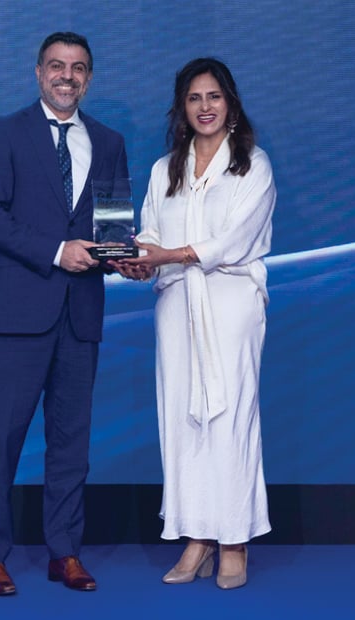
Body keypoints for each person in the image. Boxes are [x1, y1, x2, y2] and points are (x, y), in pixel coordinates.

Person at [0, 31, 129, 596]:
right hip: (19, 313)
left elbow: (112, 227)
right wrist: (57, 252)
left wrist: (122, 258)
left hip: (81, 316)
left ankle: (65, 552)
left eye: (78, 67)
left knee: (71, 443)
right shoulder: (4, 132)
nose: (67, 76)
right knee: (1, 439)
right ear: (39, 73)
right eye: (57, 66)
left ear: (89, 78)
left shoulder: (108, 142)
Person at [115, 57, 275, 590]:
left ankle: (234, 541)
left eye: (214, 96)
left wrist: (167, 255)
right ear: (181, 108)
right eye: (193, 98)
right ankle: (196, 537)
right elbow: (150, 233)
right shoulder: (166, 169)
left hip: (230, 304)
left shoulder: (253, 166)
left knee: (230, 418)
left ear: (231, 103)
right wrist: (138, 260)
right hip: (176, 306)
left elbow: (233, 242)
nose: (205, 107)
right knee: (183, 422)